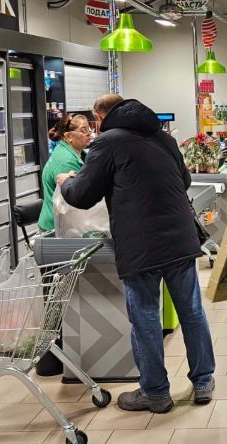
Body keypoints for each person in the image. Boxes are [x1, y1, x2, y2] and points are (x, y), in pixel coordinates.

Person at [57, 93, 215, 413]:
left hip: (140, 244)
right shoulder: (164, 138)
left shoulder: (108, 142)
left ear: (102, 117)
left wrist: (65, 182)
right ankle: (203, 381)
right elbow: (183, 180)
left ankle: (155, 392)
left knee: (145, 317)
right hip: (179, 237)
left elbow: (84, 195)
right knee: (192, 311)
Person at [37, 113, 91, 232]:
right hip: (57, 228)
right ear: (69, 136)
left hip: (63, 223)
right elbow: (75, 198)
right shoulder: (66, 161)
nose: (88, 133)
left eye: (88, 129)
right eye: (83, 130)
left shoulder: (73, 152)